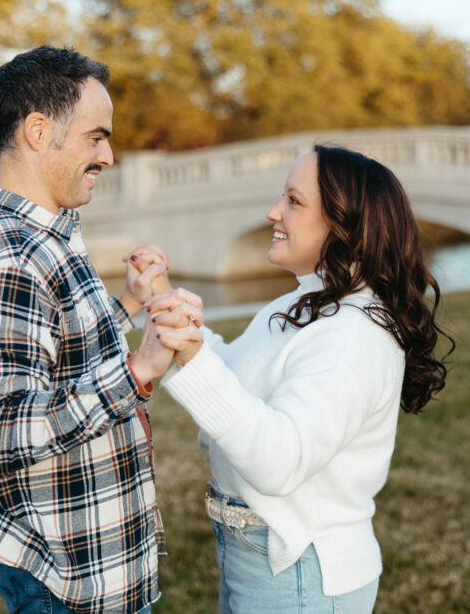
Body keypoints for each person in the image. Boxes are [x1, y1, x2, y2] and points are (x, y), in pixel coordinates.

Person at [145, 145, 454, 612]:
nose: (274, 212)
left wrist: (190, 352)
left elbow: (280, 461)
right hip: (260, 558)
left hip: (299, 573)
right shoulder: (308, 302)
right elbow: (234, 378)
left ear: (343, 223)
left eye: (294, 200)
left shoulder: (353, 333)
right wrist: (171, 308)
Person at [0, 45, 175, 614]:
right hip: (66, 582)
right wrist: (138, 372)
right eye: (96, 137)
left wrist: (128, 303)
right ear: (39, 131)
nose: (110, 155)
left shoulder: (48, 235)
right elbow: (1, 434)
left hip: (91, 563)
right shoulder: (12, 259)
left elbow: (60, 352)